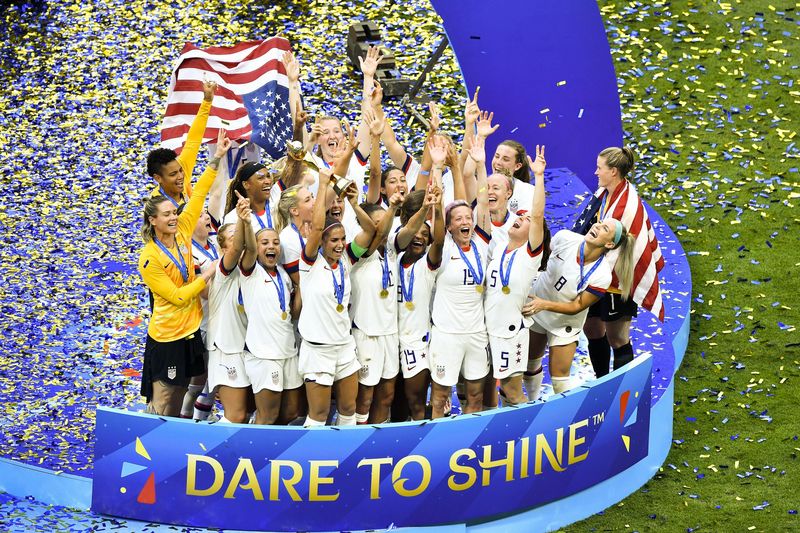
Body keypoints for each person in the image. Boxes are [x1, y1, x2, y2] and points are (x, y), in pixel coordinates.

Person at [137, 129, 231, 416]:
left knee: (179, 395)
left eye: (174, 213)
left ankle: (175, 440)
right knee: (163, 401)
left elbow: (199, 192)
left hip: (191, 330)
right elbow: (178, 297)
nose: (173, 218)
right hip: (167, 337)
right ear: (153, 220)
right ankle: (148, 441)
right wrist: (208, 273)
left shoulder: (183, 230)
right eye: (166, 215)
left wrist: (217, 157)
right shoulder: (149, 258)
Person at [297, 169, 377, 426]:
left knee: (348, 408)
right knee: (319, 415)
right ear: (321, 242)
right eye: (334, 240)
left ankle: (347, 452)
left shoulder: (346, 259)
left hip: (344, 346)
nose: (340, 244)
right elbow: (317, 227)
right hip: (318, 350)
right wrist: (323, 186)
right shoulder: (309, 263)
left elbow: (371, 230)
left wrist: (354, 203)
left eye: (343, 239)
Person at [523, 218, 636, 394]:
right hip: (537, 309)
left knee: (559, 380)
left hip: (564, 323)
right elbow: (542, 257)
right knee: (529, 365)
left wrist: (543, 304)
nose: (597, 226)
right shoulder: (565, 238)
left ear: (609, 244)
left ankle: (563, 412)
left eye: (604, 228)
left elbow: (577, 306)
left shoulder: (602, 275)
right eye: (600, 223)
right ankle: (533, 401)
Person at [428, 134, 490, 418]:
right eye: (458, 219)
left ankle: (471, 439)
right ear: (450, 226)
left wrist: (481, 165)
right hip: (447, 335)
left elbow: (481, 203)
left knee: (475, 396)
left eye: (468, 218)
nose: (465, 221)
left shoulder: (482, 243)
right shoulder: (443, 247)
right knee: (440, 397)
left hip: (476, 333)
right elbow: (437, 208)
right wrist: (438, 167)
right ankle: (436, 439)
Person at [483, 147, 547, 406]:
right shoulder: (499, 247)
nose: (522, 218)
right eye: (521, 216)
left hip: (510, 332)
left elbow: (538, 215)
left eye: (527, 220)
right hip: (487, 327)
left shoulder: (530, 256)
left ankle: (530, 428)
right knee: (491, 391)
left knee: (512, 392)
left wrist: (539, 176)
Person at [581, 147, 650, 377]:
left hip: (616, 278)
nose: (595, 172)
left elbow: (626, 249)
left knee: (617, 338)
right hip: (596, 271)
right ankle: (602, 380)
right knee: (591, 328)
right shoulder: (606, 192)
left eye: (599, 168)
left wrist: (588, 268)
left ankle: (621, 389)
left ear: (613, 171)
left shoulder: (627, 206)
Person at [239, 227, 303, 424]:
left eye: (276, 243)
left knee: (291, 413)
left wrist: (302, 285)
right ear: (256, 247)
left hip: (288, 350)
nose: (271, 247)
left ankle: (277, 445)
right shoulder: (250, 271)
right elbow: (249, 250)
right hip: (264, 354)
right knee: (268, 416)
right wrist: (245, 221)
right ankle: (254, 443)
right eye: (264, 243)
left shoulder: (284, 274)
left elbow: (293, 314)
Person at [397, 183, 445, 420]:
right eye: (416, 231)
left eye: (425, 235)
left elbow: (440, 242)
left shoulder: (428, 265)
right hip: (388, 340)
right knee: (391, 401)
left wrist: (439, 206)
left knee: (415, 401)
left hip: (415, 342)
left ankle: (421, 438)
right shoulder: (391, 259)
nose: (419, 236)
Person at [205, 192, 255, 424]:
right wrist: (243, 220)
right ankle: (208, 445)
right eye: (233, 237)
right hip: (226, 348)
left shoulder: (251, 270)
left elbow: (250, 249)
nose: (239, 241)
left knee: (246, 415)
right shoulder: (222, 270)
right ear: (223, 248)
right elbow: (237, 250)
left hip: (247, 349)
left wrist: (247, 224)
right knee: (235, 415)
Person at [146, 80, 218, 207]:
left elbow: (194, 140)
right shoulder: (156, 206)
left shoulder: (181, 167)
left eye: (180, 171)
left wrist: (207, 101)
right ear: (158, 178)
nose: (181, 176)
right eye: (173, 174)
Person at [275, 184, 315, 285]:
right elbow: (302, 282)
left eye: (312, 197)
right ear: (294, 211)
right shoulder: (287, 240)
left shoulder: (319, 227)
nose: (314, 202)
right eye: (307, 200)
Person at [223, 162, 276, 231]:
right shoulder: (233, 218)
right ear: (246, 184)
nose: (268, 181)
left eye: (268, 176)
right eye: (260, 178)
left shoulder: (278, 208)